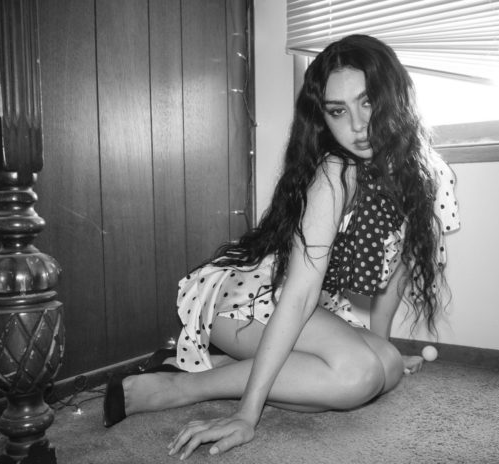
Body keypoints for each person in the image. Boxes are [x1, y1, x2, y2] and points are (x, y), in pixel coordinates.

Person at [103, 34, 460, 459]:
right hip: (250, 302)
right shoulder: (336, 172)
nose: (358, 124)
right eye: (338, 111)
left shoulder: (428, 176)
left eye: (368, 102)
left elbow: (395, 274)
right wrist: (247, 416)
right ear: (322, 118)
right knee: (358, 376)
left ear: (395, 96)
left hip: (308, 310)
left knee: (386, 368)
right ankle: (182, 387)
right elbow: (299, 294)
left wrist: (384, 350)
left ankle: (224, 366)